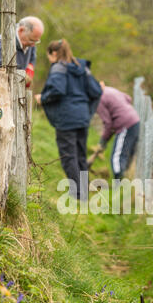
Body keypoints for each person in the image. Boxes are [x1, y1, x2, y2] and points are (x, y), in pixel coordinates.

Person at [34, 39, 102, 200]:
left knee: (68, 156)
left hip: (66, 119)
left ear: (54, 53)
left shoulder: (58, 68)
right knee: (80, 155)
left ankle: (77, 194)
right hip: (82, 116)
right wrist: (88, 110)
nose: (50, 60)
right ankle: (84, 191)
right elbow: (96, 90)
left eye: (49, 56)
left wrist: (43, 98)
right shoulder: (82, 68)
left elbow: (57, 89)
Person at [96, 82, 140, 179]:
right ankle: (126, 177)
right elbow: (128, 98)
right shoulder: (110, 90)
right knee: (127, 153)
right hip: (135, 120)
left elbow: (107, 123)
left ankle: (118, 180)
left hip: (125, 124)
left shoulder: (99, 99)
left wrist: (103, 141)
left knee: (117, 156)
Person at [0, 16, 44, 87]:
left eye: (36, 41)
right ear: (21, 30)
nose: (33, 45)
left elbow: (32, 56)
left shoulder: (30, 41)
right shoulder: (2, 45)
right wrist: (17, 78)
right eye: (31, 40)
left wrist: (29, 69)